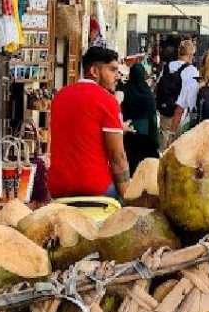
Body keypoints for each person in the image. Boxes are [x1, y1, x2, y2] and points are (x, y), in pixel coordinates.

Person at [48, 47, 130, 199]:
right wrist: (128, 197)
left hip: (58, 186)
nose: (116, 76)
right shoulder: (107, 101)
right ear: (94, 71)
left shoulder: (60, 96)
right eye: (112, 70)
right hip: (95, 187)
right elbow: (117, 156)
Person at [156, 38, 200, 147]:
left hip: (165, 113)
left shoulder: (167, 67)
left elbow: (158, 86)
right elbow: (192, 99)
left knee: (164, 147)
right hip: (182, 117)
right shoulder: (192, 71)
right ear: (191, 54)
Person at [120, 62, 159, 173]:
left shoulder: (125, 90)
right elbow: (152, 117)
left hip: (127, 131)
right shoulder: (147, 93)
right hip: (144, 133)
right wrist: (155, 140)